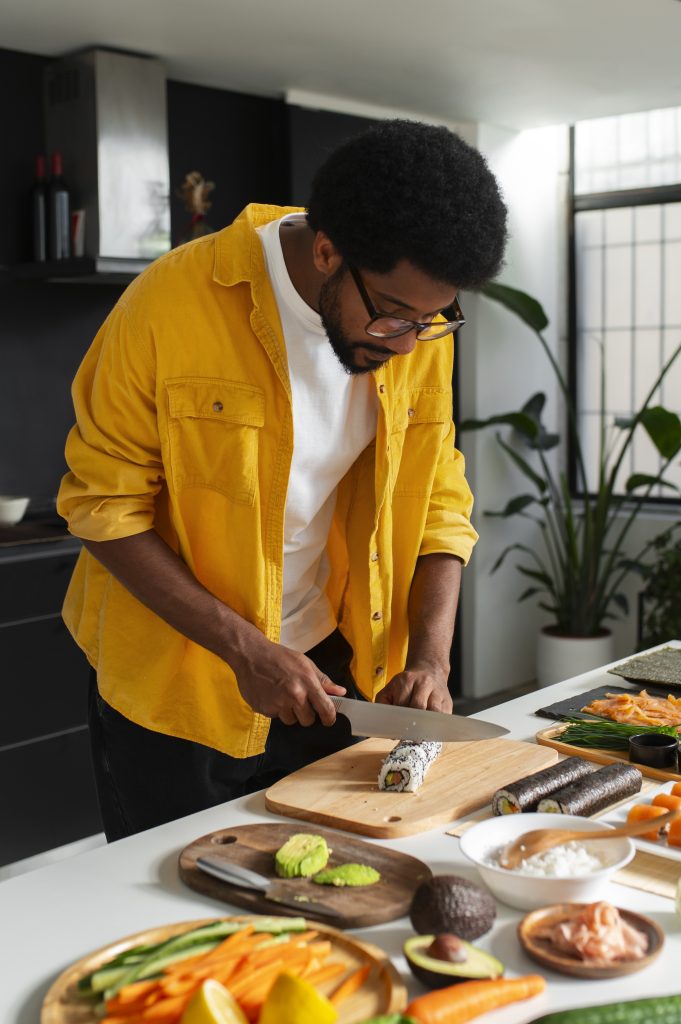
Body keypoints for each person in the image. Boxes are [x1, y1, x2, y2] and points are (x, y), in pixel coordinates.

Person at [57, 119, 508, 840]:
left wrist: (430, 656)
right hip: (178, 680)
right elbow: (102, 508)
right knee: (174, 882)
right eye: (394, 317)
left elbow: (438, 500)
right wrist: (245, 649)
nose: (408, 345)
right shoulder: (168, 305)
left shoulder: (416, 329)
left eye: (434, 320)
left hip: (328, 672)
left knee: (323, 872)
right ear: (327, 251)